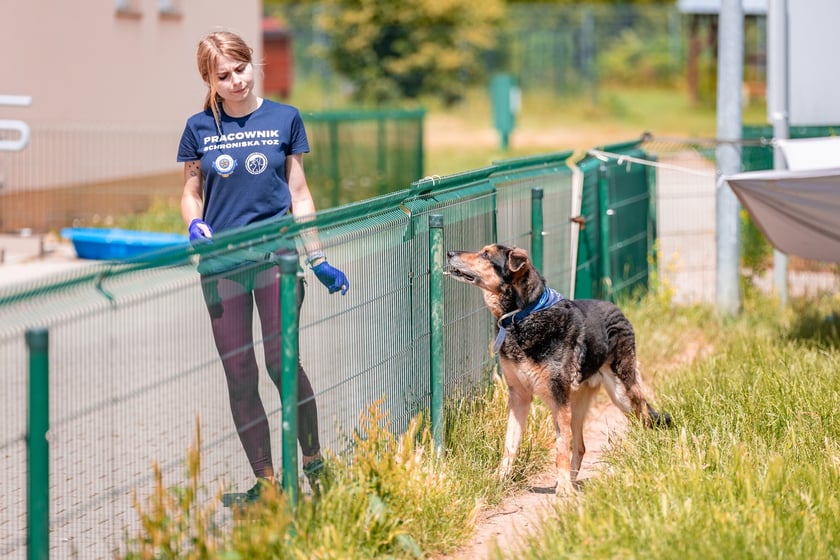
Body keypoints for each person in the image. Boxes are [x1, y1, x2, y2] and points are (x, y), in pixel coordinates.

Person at [177, 30, 348, 503]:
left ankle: (314, 462)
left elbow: (299, 194)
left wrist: (318, 257)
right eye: (223, 75)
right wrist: (194, 226)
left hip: (278, 259)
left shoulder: (284, 119)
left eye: (240, 69)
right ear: (210, 81)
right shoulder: (198, 128)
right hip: (222, 266)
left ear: (253, 63)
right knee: (240, 375)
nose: (235, 81)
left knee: (282, 363)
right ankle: (267, 484)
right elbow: (192, 193)